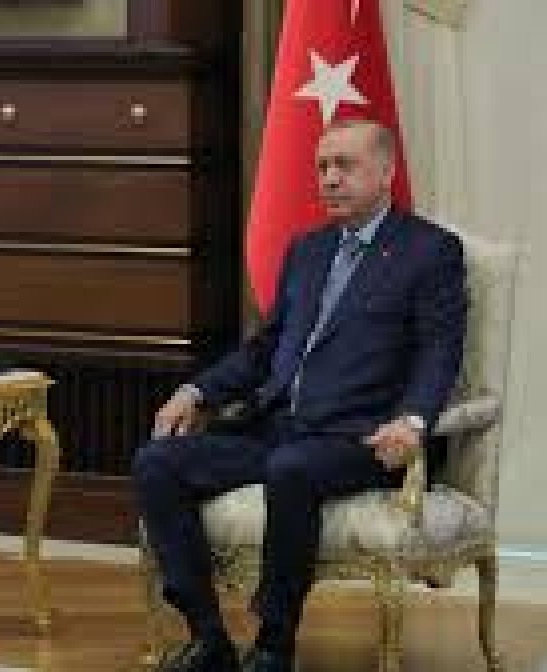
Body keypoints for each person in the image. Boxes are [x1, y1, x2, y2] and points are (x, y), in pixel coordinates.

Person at [134, 119, 466, 672]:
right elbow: (264, 351)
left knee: (291, 468)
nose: (330, 179)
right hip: (279, 426)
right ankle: (208, 637)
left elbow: (440, 351)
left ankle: (274, 643)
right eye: (322, 167)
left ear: (386, 172)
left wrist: (413, 421)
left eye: (345, 166)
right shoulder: (308, 250)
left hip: (361, 437)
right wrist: (196, 390)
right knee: (157, 463)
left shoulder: (429, 252)